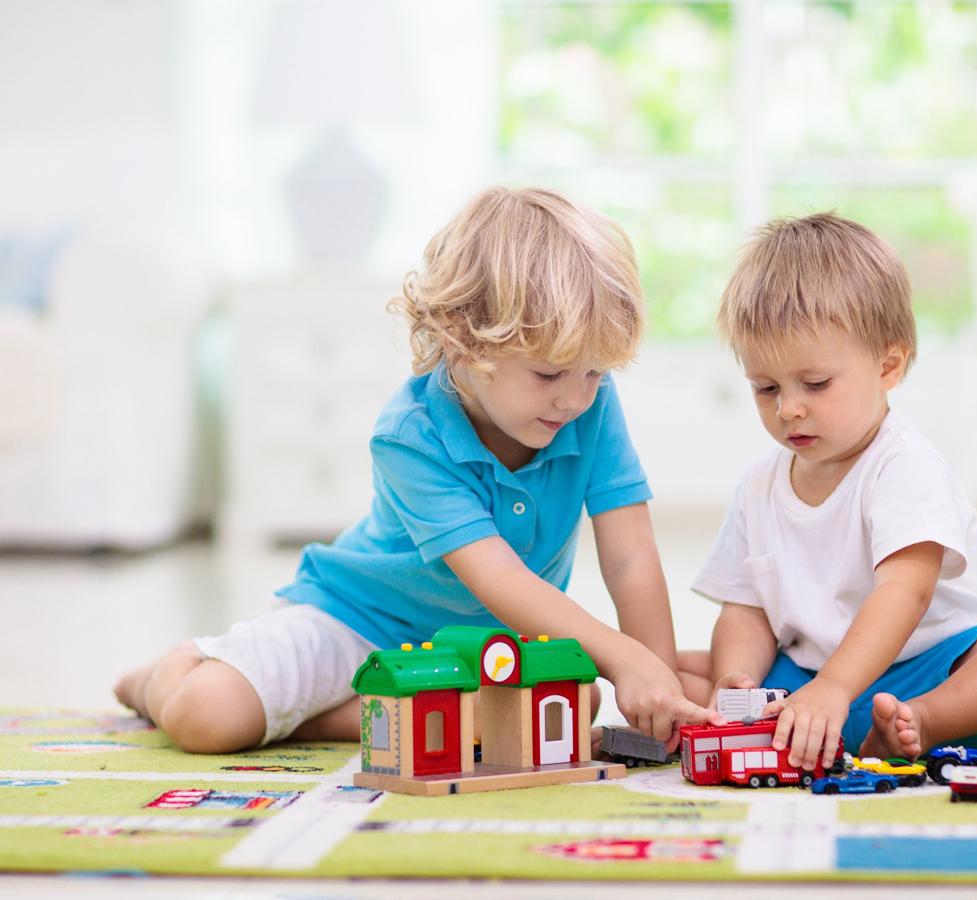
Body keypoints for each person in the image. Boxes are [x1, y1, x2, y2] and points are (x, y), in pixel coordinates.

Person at [115, 186, 721, 753]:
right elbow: (500, 580)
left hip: (486, 645)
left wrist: (657, 681)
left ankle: (333, 717)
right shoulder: (410, 435)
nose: (575, 399)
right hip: (356, 622)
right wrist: (622, 657)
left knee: (572, 702)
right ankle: (161, 675)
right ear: (463, 343)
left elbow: (630, 557)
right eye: (548, 375)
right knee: (207, 717)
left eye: (593, 373)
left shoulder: (588, 405)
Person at [677, 213, 977, 773]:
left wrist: (837, 688)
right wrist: (735, 680)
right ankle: (791, 729)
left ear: (889, 365)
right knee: (671, 670)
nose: (788, 408)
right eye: (766, 388)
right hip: (805, 691)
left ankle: (923, 724)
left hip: (928, 674)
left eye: (814, 384)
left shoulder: (903, 465)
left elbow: (905, 593)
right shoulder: (760, 484)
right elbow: (747, 611)